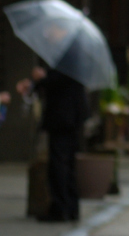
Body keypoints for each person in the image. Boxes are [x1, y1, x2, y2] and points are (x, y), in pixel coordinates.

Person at [17, 66, 88, 221]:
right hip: (70, 117)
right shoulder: (72, 56)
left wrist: (40, 79)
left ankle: (61, 208)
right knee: (66, 163)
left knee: (60, 164)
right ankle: (69, 207)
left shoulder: (66, 56)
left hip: (63, 117)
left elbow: (57, 80)